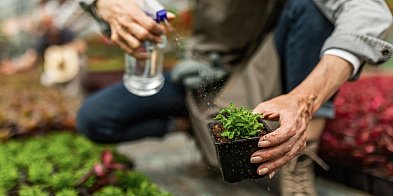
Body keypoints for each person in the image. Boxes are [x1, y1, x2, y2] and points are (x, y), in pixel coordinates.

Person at [77, 0, 393, 195]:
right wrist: (106, 4)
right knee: (96, 118)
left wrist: (303, 100)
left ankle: (300, 159)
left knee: (313, 7)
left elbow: (368, 12)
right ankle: (191, 124)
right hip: (203, 72)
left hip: (268, 64)